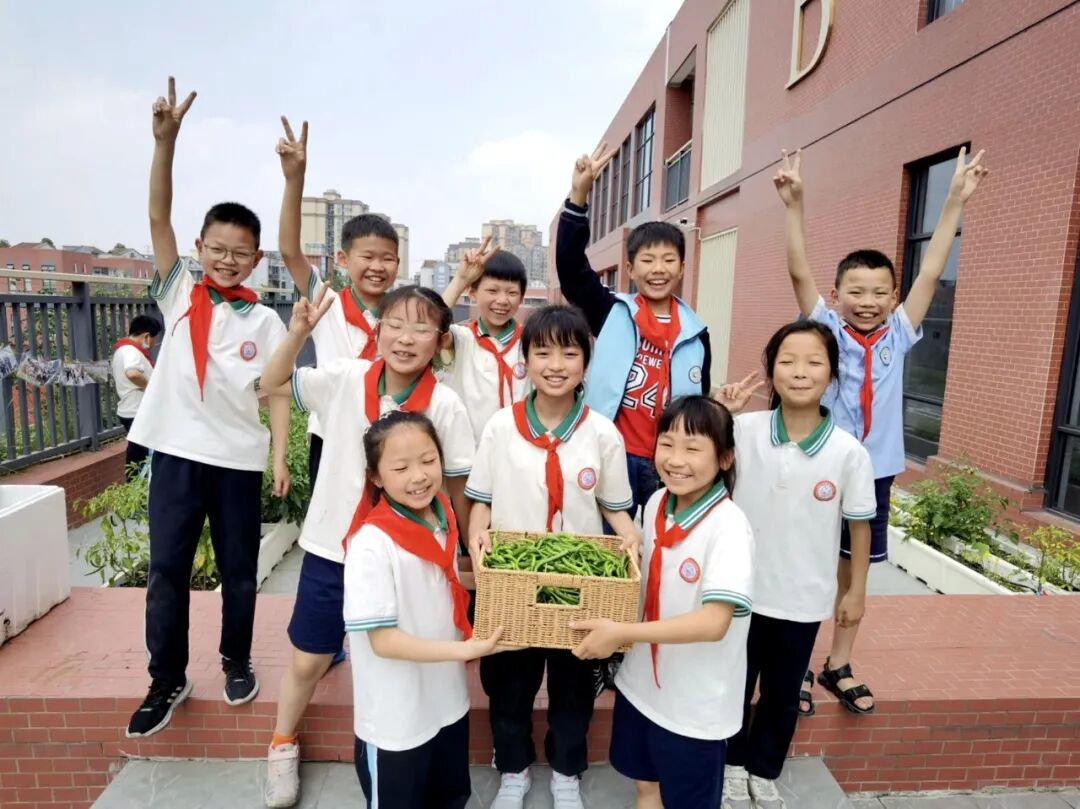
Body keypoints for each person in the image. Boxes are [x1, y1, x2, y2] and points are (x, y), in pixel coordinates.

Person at [774, 146, 989, 714]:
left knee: (854, 574)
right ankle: (796, 665)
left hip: (875, 473)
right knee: (809, 565)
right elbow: (798, 270)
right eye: (856, 291)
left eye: (878, 293)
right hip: (821, 464)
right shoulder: (825, 328)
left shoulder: (899, 330)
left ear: (893, 297)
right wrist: (794, 205)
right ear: (837, 296)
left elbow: (932, 269)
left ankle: (838, 662)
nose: (867, 302)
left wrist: (954, 201)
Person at [259, 284, 474, 808]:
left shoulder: (445, 404)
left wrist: (466, 554)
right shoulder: (346, 377)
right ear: (377, 332)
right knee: (309, 660)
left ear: (440, 340)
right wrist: (297, 334)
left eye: (421, 328)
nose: (406, 338)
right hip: (333, 549)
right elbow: (272, 383)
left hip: (410, 554)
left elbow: (456, 485)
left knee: (407, 657)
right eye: (394, 325)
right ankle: (282, 743)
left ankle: (408, 749)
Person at [125, 77, 291, 739]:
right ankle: (166, 678)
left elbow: (276, 391)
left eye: (239, 252)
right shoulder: (180, 297)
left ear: (256, 258)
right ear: (199, 249)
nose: (226, 259)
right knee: (166, 571)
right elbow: (157, 218)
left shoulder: (266, 321)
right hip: (177, 454)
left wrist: (280, 456)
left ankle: (236, 659)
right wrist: (164, 143)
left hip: (239, 461)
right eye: (215, 249)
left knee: (240, 572)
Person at [465, 304, 638, 809]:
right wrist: (477, 535)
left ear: (586, 362)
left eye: (569, 353)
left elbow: (613, 507)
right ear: (526, 360)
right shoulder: (501, 427)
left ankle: (566, 771)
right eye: (543, 353)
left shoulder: (602, 433)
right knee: (509, 683)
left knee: (573, 685)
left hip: (578, 586)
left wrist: (631, 536)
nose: (556, 365)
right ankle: (513, 768)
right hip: (514, 580)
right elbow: (481, 501)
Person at [715, 321, 876, 809]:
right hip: (739, 592)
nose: (800, 372)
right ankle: (731, 766)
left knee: (783, 695)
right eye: (787, 361)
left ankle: (764, 771)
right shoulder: (743, 430)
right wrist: (719, 414)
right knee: (734, 687)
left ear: (832, 374)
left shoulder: (848, 452)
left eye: (813, 362)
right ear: (771, 371)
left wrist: (856, 592)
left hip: (802, 599)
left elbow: (860, 528)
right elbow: (695, 462)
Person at [571, 395, 754, 809]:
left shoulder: (729, 527)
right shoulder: (656, 503)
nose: (676, 460)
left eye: (693, 448)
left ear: (725, 458)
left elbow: (714, 622)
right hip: (641, 687)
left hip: (694, 704)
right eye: (667, 444)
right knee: (646, 786)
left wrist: (621, 632)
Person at [345, 410, 505, 809]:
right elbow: (383, 641)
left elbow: (442, 582)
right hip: (396, 720)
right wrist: (466, 649)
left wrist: (505, 584)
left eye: (428, 460)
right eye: (401, 468)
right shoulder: (372, 544)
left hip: (446, 702)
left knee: (450, 797)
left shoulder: (442, 512)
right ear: (375, 477)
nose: (418, 476)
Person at [556, 145, 712, 521]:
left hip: (669, 460)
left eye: (668, 260)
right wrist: (578, 196)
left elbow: (700, 400)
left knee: (663, 538)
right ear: (630, 268)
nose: (658, 269)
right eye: (647, 260)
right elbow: (571, 269)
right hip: (613, 452)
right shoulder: (611, 310)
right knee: (607, 541)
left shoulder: (697, 333)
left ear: (682, 268)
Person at [275, 116, 399, 488]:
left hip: (390, 439)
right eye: (367, 256)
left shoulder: (402, 314)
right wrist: (294, 179)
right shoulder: (324, 301)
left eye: (388, 258)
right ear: (343, 259)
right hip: (331, 436)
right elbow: (289, 250)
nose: (377, 267)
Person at [440, 236, 531, 443]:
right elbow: (430, 326)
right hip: (468, 452)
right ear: (472, 292)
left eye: (512, 292)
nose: (502, 300)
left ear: (522, 297)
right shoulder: (460, 339)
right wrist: (461, 279)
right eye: (492, 290)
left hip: (518, 451)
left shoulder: (532, 341)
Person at [111, 313, 162, 480]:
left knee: (136, 452)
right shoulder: (131, 351)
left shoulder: (124, 350)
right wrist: (151, 387)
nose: (154, 343)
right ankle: (137, 487)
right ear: (146, 336)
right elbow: (132, 373)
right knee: (142, 456)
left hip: (132, 410)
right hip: (137, 411)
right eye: (154, 338)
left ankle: (134, 486)